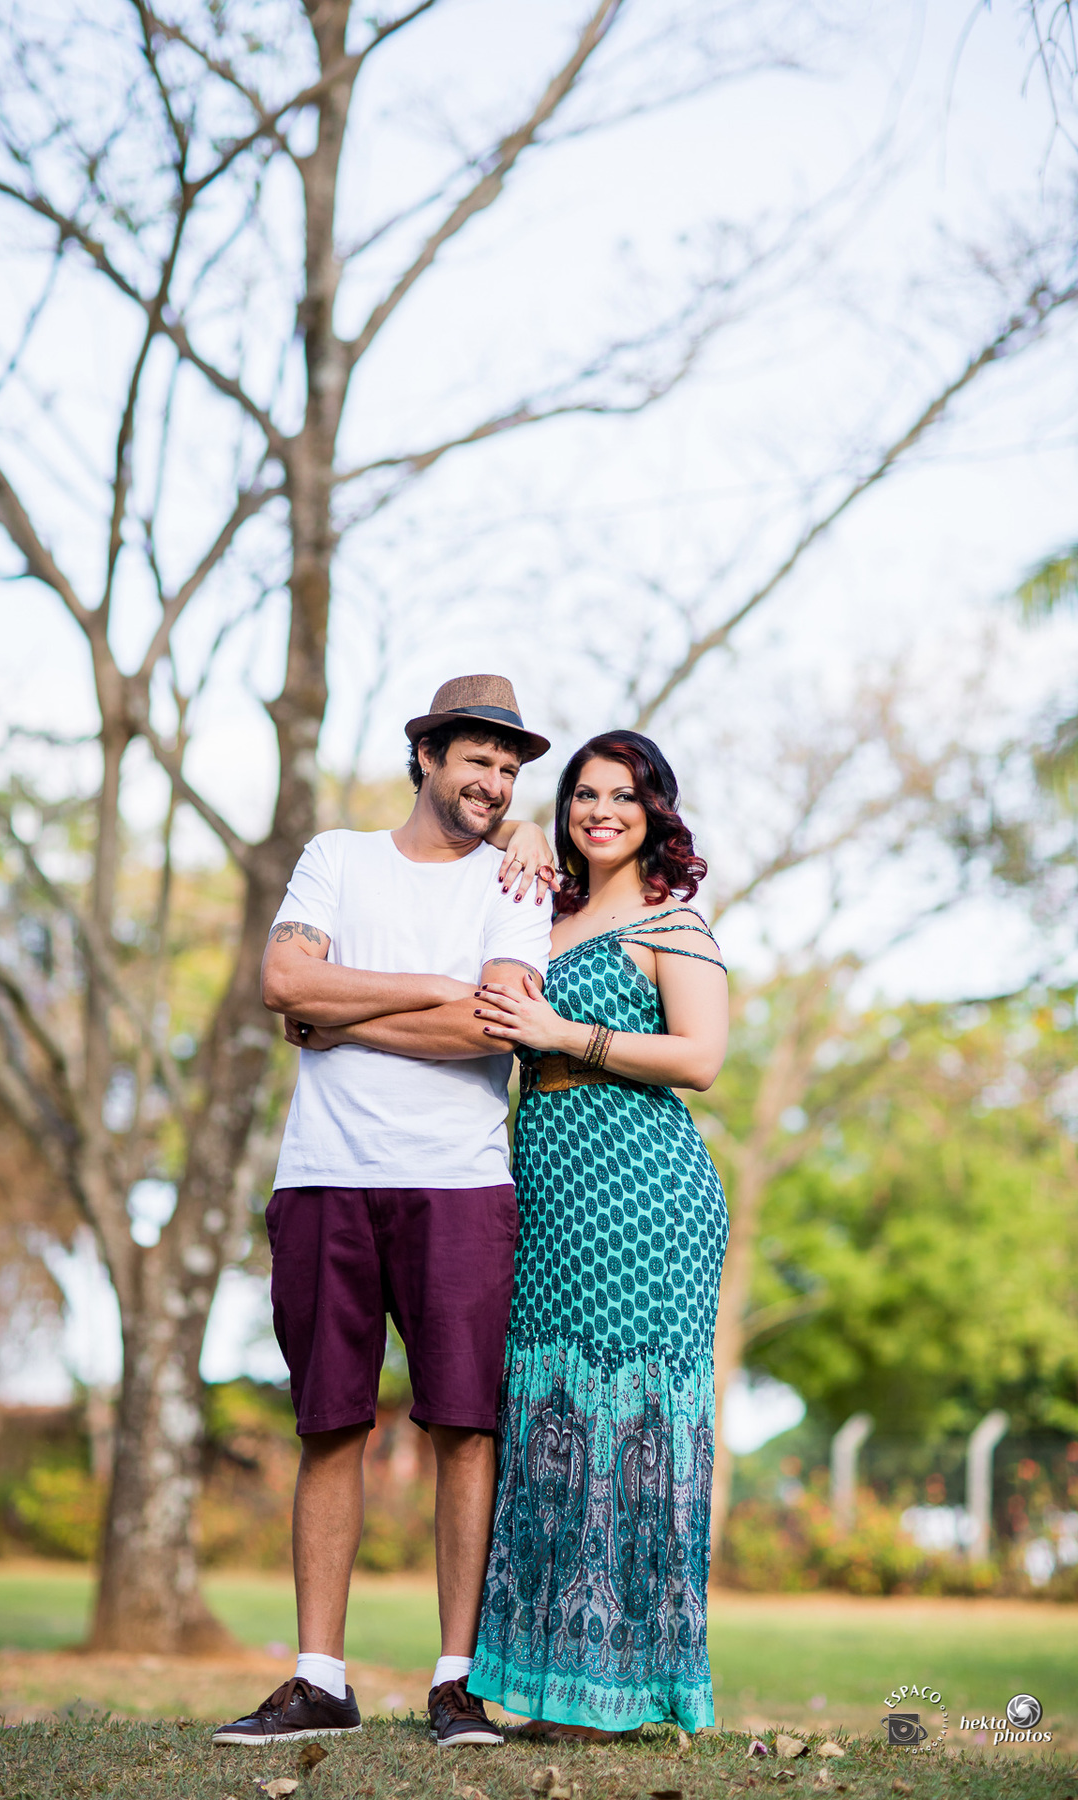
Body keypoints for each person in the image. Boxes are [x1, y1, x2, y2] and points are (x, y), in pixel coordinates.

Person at [212, 675, 557, 1751]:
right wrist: (422, 992)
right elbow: (281, 982)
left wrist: (345, 1009)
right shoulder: (336, 858)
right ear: (426, 758)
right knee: (330, 1424)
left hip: (461, 1184)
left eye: (509, 769)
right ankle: (321, 1678)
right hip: (325, 1178)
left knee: (464, 1426)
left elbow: (496, 1025)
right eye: (477, 761)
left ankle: (457, 1684)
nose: (493, 784)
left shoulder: (517, 881)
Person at [466, 730, 729, 1739]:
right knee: (552, 1418)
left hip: (646, 1192)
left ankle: (615, 1691)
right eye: (582, 794)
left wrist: (564, 1035)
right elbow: (483, 865)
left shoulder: (672, 920)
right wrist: (524, 822)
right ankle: (541, 1683)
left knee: (629, 1429)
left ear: (655, 809)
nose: (600, 810)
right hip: (550, 1184)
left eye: (622, 795)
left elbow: (701, 1056)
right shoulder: (547, 903)